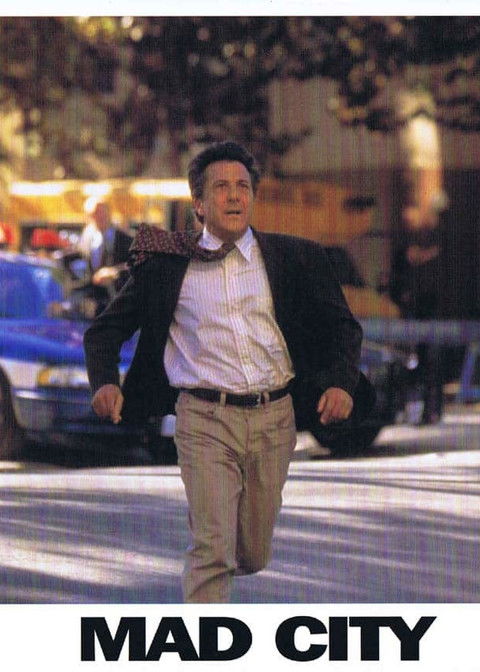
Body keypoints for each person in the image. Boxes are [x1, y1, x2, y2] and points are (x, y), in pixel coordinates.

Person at [84, 141, 371, 603]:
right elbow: (105, 331)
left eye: (242, 186)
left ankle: (221, 545)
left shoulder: (295, 257)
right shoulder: (167, 267)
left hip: (274, 418)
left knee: (250, 552)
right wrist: (104, 383)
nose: (234, 195)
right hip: (204, 420)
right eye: (221, 187)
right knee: (213, 549)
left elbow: (343, 327)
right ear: (199, 204)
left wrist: (341, 382)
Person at [78, 200, 133, 295]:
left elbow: (137, 264)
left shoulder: (126, 238)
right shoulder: (86, 239)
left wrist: (114, 272)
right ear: (88, 217)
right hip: (93, 295)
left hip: (117, 294)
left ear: (109, 212)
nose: (100, 216)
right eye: (95, 213)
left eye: (102, 212)